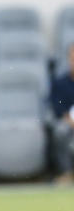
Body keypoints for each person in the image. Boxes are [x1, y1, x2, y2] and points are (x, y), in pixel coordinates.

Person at [49, 43, 74, 185]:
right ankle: (66, 173)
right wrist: (69, 120)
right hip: (68, 123)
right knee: (60, 131)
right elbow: (57, 106)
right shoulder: (60, 83)